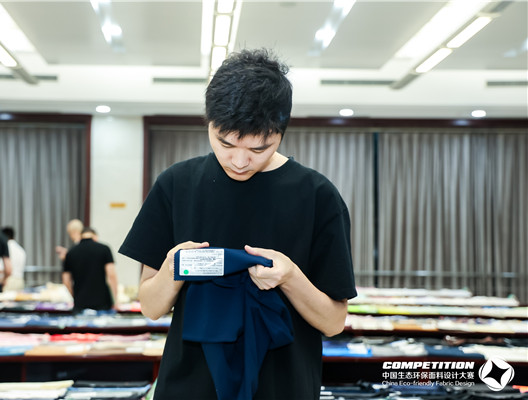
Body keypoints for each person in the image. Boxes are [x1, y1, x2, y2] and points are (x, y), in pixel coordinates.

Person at [119, 48, 357, 400]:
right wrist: (173, 268)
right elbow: (151, 307)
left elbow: (334, 322)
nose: (240, 161)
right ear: (209, 123)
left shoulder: (318, 196)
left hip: (283, 387)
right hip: (189, 387)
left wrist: (291, 277)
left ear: (281, 133)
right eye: (225, 143)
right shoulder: (176, 185)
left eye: (259, 149)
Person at [62, 227, 118, 313]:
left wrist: (75, 296)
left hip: (80, 304)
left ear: (80, 237)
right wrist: (115, 300)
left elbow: (66, 281)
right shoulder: (104, 249)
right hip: (102, 303)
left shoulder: (71, 252)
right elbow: (111, 276)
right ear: (95, 236)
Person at [0, 226, 27, 291]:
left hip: (7, 281)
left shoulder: (4, 248)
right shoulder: (21, 249)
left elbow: (0, 268)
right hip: (19, 280)